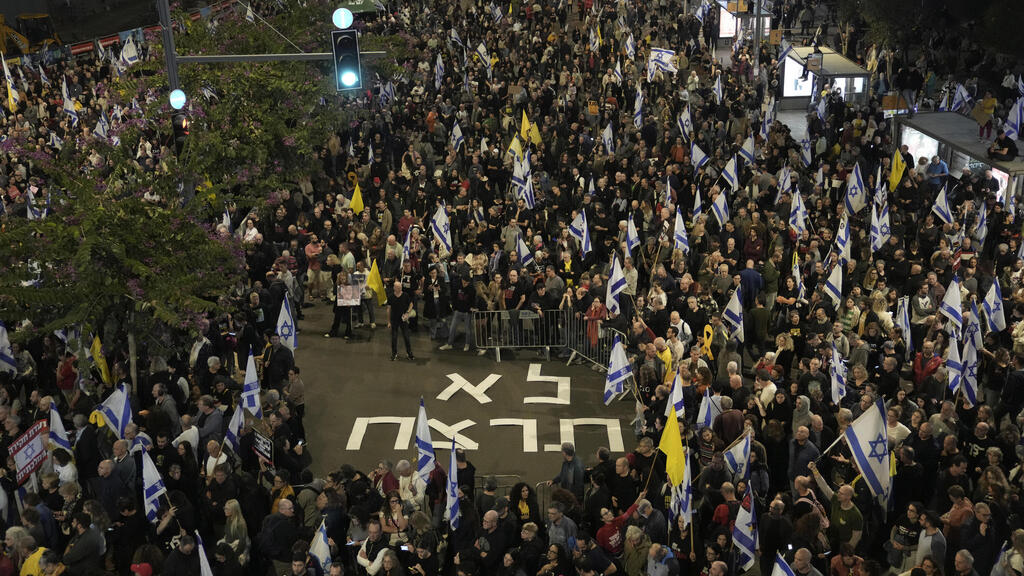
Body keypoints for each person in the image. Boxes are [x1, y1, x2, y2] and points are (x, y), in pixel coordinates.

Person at [388, 280, 415, 361]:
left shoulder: (405, 295)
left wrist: (407, 313)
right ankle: (394, 353)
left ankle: (409, 353)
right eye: (398, 287)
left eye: (400, 287)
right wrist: (389, 321)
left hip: (403, 320)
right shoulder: (391, 297)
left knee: (406, 337)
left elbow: (411, 304)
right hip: (394, 320)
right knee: (394, 338)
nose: (399, 288)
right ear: (394, 288)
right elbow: (388, 309)